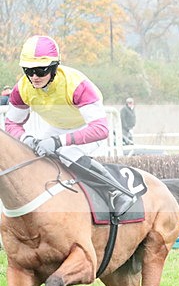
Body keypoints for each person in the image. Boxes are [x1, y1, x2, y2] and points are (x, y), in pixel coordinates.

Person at [5, 35, 135, 215]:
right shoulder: (22, 89)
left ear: (54, 67)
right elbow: (11, 123)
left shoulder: (76, 84)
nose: (34, 77)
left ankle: (116, 192)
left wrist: (58, 142)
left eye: (41, 71)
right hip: (57, 129)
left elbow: (100, 129)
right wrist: (26, 138)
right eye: (28, 70)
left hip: (87, 129)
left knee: (67, 153)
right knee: (32, 155)